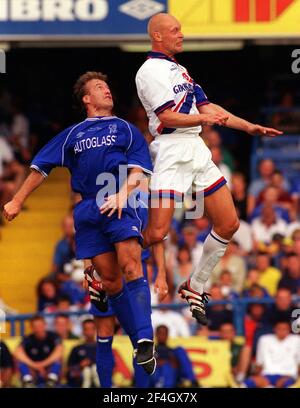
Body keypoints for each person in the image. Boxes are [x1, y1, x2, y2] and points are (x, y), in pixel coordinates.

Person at [3, 71, 156, 374]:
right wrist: (18, 199)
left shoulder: (126, 129)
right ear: (86, 98)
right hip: (87, 209)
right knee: (111, 283)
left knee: (130, 266)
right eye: (100, 87)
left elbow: (140, 171)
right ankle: (140, 342)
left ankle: (144, 338)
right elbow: (40, 167)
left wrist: (123, 195)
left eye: (108, 86)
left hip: (118, 202)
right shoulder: (73, 135)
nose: (107, 90)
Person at [135, 13, 282, 325]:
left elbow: (209, 109)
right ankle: (103, 257)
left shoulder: (180, 70)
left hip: (196, 149)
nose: (182, 34)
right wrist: (204, 120)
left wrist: (248, 127)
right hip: (171, 150)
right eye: (175, 30)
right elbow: (168, 118)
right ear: (157, 36)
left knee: (229, 224)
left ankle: (195, 284)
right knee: (157, 232)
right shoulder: (148, 71)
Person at [243, 320, 300, 388]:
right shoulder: (264, 339)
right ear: (274, 329)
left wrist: (292, 378)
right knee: (248, 383)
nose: (282, 331)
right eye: (279, 329)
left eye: (284, 329)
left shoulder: (296, 340)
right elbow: (259, 363)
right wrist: (257, 377)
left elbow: (299, 364)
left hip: (288, 377)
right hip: (267, 376)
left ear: (289, 329)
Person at [14, 315, 63, 388]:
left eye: (40, 325)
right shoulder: (28, 339)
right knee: (21, 363)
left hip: (48, 369)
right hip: (33, 370)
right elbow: (17, 353)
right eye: (35, 326)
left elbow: (59, 351)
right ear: (31, 328)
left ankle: (51, 383)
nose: (38, 329)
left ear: (45, 325)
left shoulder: (53, 336)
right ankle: (28, 383)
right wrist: (35, 365)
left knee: (58, 361)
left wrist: (42, 364)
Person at [67, 319, 99, 388]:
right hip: (81, 379)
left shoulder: (102, 348)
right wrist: (80, 366)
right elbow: (69, 369)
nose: (89, 332)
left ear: (95, 330)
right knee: (86, 371)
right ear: (83, 331)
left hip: (99, 376)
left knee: (94, 369)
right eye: (86, 329)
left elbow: (111, 365)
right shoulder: (76, 348)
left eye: (91, 329)